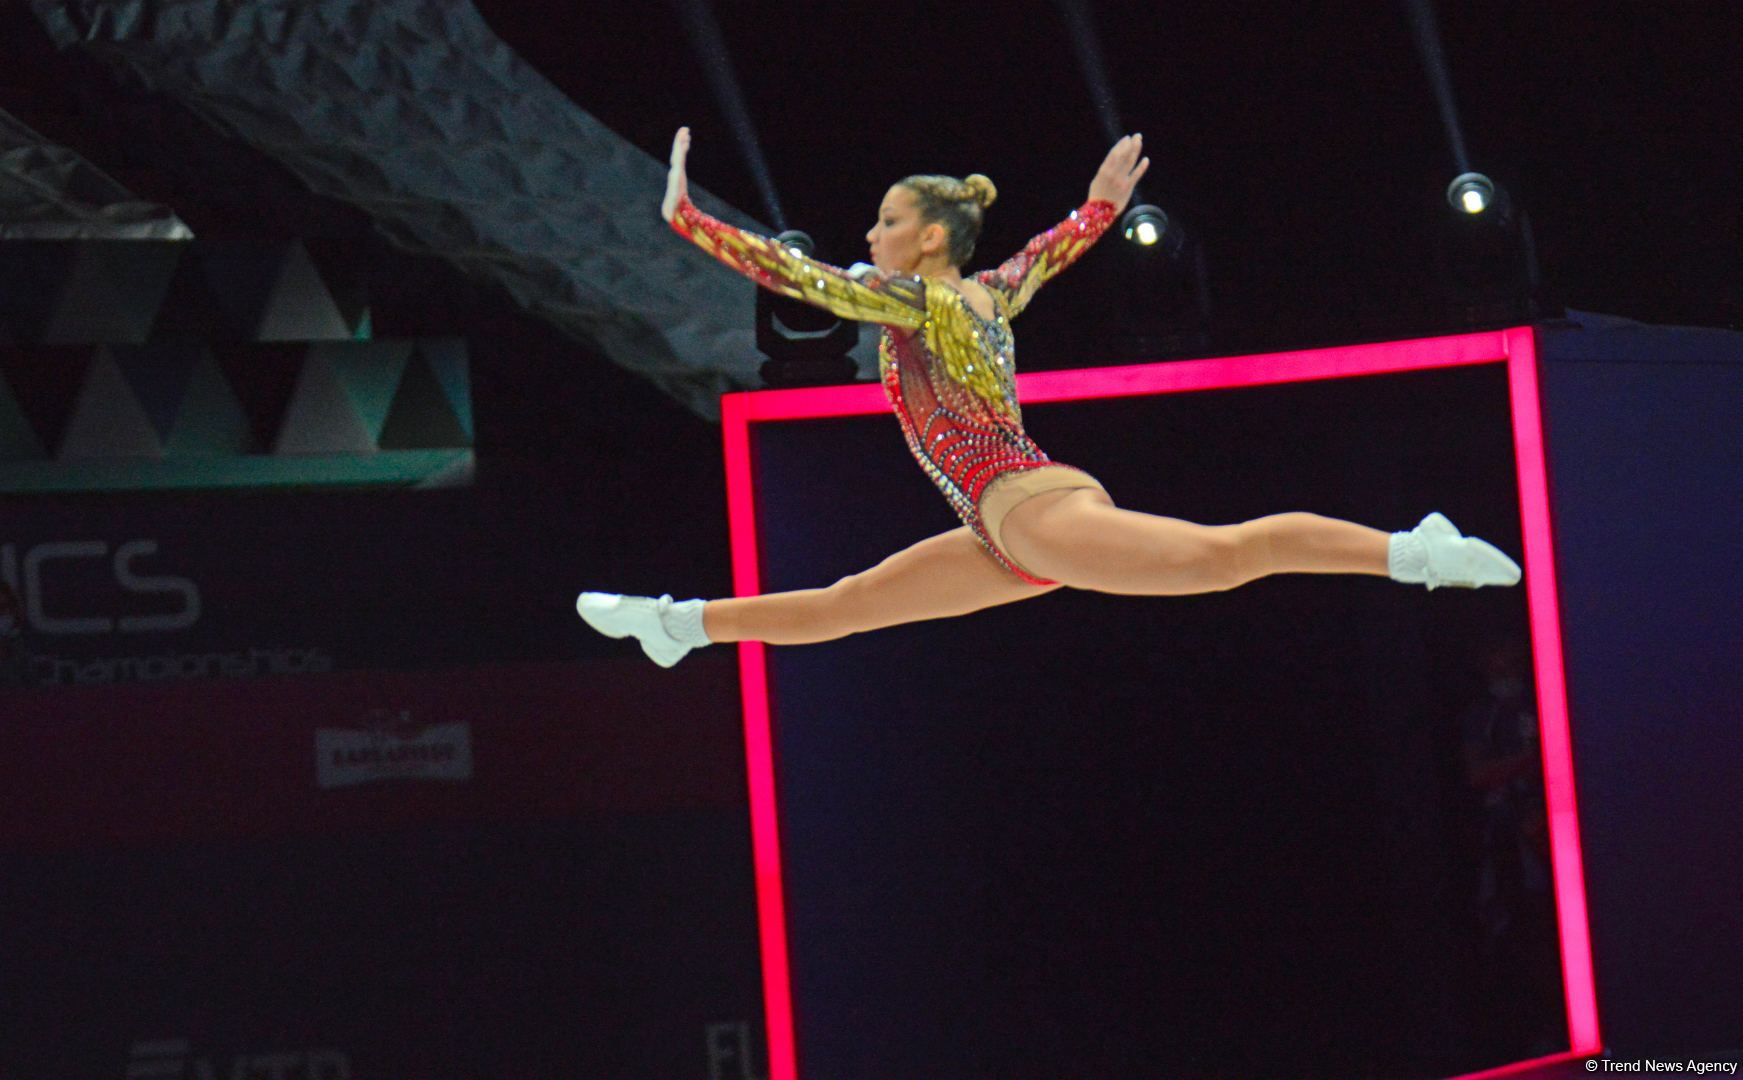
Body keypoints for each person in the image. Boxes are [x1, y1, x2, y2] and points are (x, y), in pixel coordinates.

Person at [578, 127, 1522, 667]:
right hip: (1000, 528)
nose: (872, 230)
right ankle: (676, 624)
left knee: (1229, 556)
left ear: (932, 241)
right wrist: (1101, 204)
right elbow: (1051, 251)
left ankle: (1411, 552)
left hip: (1028, 501)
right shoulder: (979, 292)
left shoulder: (923, 299)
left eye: (888, 220)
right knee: (845, 606)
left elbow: (811, 283)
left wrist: (690, 219)